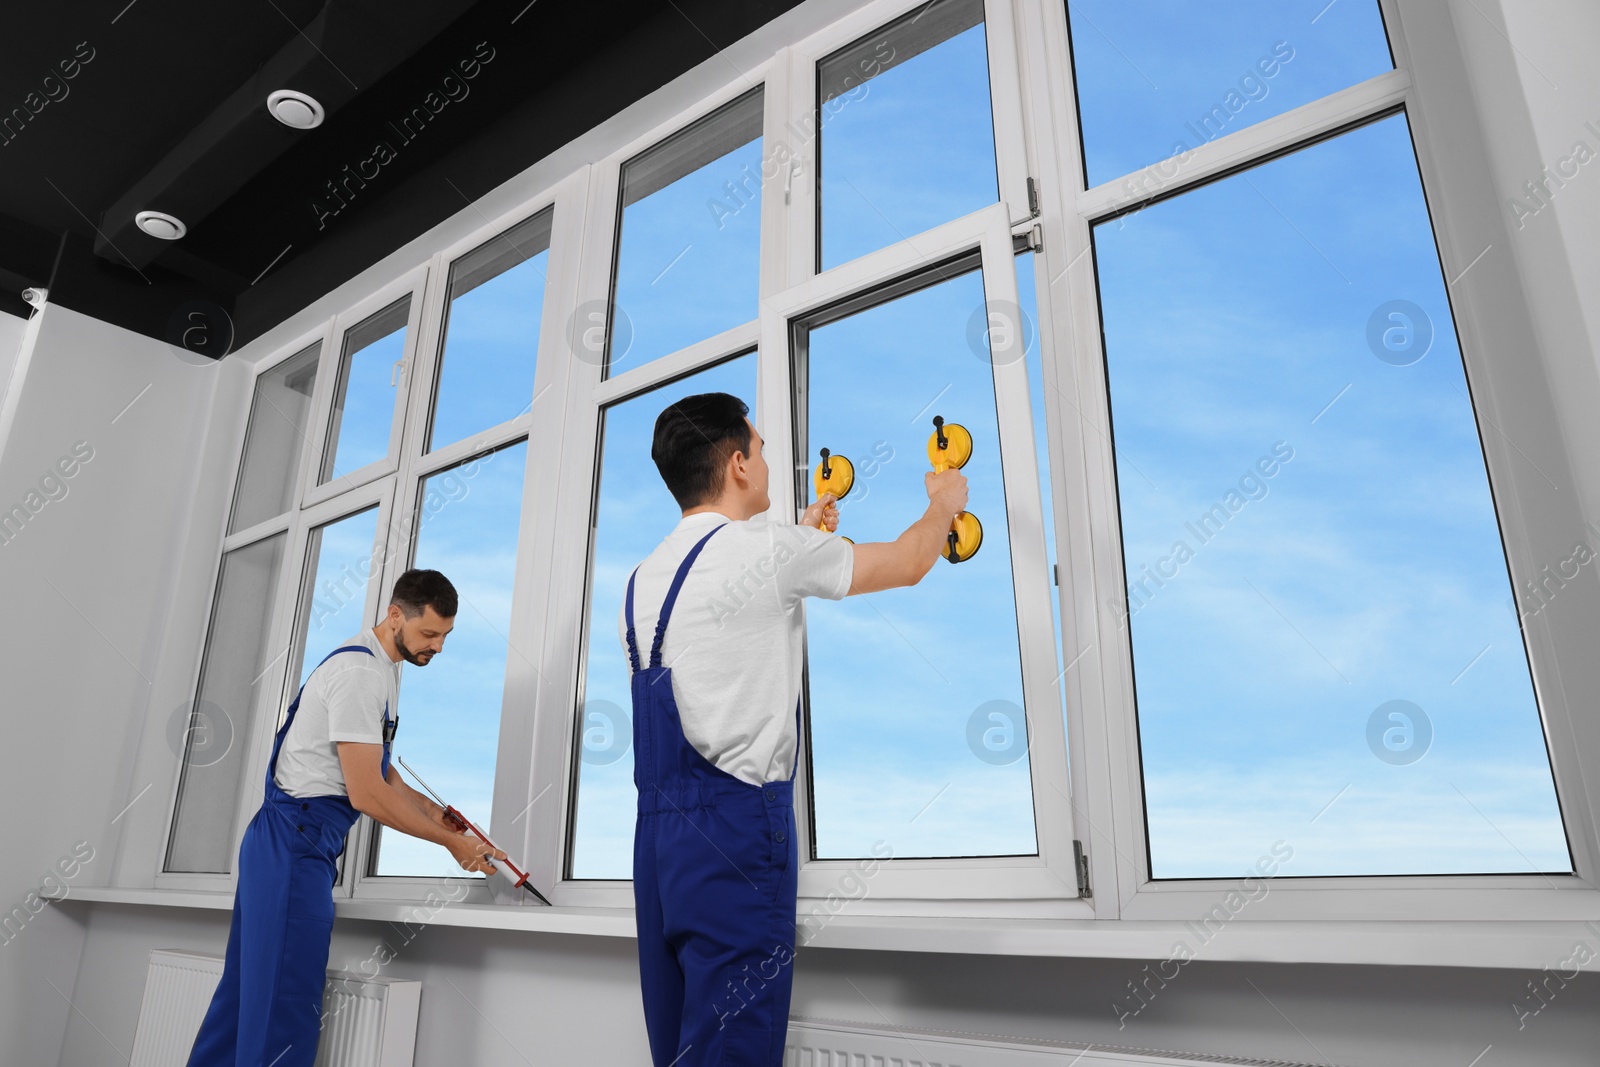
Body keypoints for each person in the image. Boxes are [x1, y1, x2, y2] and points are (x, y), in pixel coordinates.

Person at [622, 392, 968, 1066]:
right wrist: (943, 503)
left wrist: (808, 535)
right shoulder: (771, 551)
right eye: (761, 448)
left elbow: (733, 618)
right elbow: (908, 562)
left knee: (681, 1050)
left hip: (659, 847)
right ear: (738, 465)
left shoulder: (641, 580)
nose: (768, 460)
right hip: (735, 839)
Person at [188, 569, 506, 1067]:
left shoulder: (381, 668)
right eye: (429, 633)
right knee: (283, 1007)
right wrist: (450, 847)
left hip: (286, 841)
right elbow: (367, 794)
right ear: (395, 615)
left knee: (246, 999)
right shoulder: (361, 674)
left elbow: (385, 777)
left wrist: (450, 823)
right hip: (296, 842)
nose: (438, 647)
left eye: (445, 636)